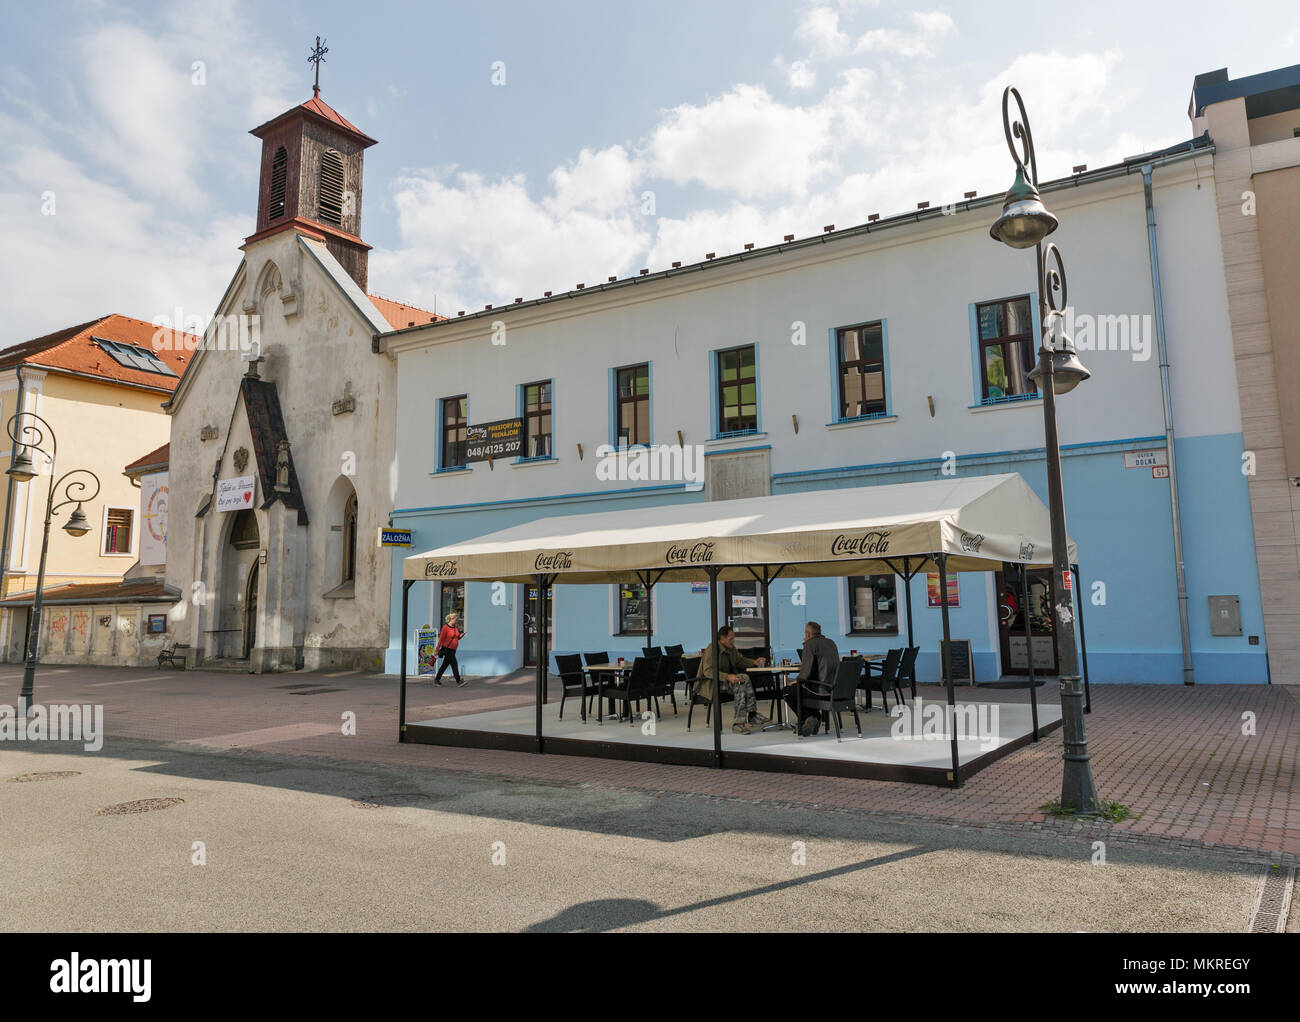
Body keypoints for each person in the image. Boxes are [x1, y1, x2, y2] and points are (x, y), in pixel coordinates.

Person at [695, 626, 769, 734]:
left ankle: (751, 714)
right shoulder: (712, 649)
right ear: (722, 638)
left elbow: (739, 660)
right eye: (731, 639)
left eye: (733, 638)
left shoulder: (730, 648)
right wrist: (727, 676)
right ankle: (740, 723)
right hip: (711, 684)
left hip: (724, 682)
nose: (733, 641)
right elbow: (708, 671)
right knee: (740, 683)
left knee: (743, 678)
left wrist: (754, 662)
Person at [785, 621, 840, 736]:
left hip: (819, 690)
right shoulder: (831, 643)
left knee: (788, 691)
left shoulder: (809, 645)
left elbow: (806, 672)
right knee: (799, 690)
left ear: (808, 634)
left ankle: (811, 717)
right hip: (834, 689)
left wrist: (797, 680)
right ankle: (811, 719)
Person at [434, 612, 466, 687]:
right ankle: (458, 681)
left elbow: (457, 637)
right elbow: (441, 640)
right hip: (447, 649)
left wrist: (461, 636)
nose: (457, 621)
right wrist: (436, 650)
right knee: (454, 664)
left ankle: (437, 679)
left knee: (444, 665)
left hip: (453, 649)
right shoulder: (445, 628)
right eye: (456, 619)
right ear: (451, 619)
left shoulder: (455, 627)